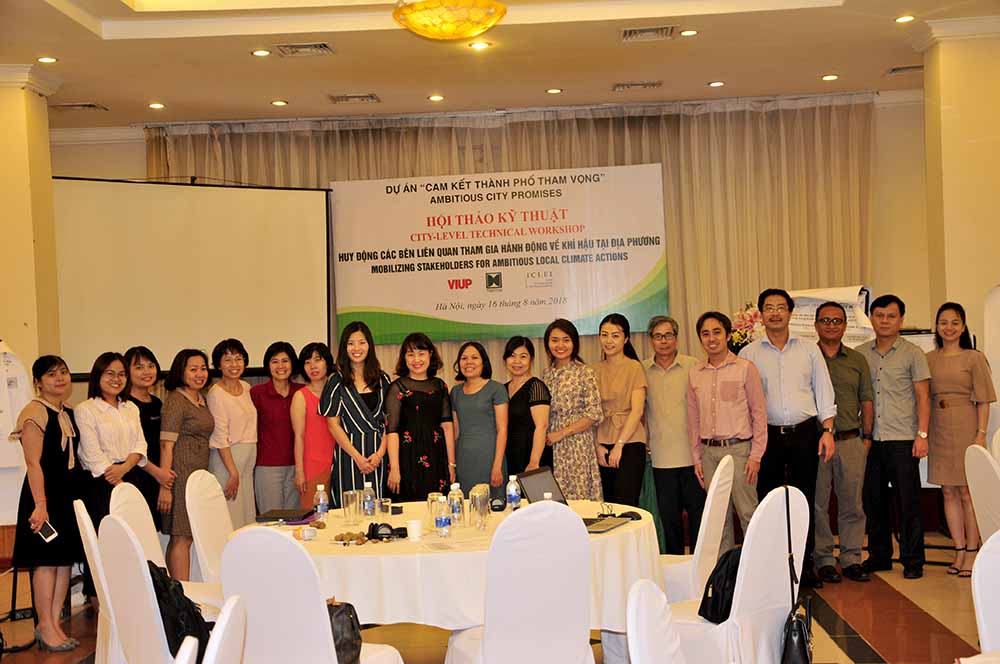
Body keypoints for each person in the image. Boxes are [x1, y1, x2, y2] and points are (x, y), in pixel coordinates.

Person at [740, 288, 837, 588]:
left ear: (790, 313)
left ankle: (805, 566)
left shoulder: (809, 350)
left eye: (781, 307)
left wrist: (828, 431)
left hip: (804, 433)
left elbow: (823, 391)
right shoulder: (749, 354)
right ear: (761, 315)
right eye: (769, 308)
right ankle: (773, 568)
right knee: (768, 502)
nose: (775, 313)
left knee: (803, 499)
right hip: (766, 437)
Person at [10, 356, 83, 652]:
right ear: (38, 382)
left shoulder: (67, 412)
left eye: (63, 372)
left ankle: (54, 623)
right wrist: (41, 505)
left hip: (65, 497)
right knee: (45, 562)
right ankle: (44, 624)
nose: (60, 378)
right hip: (43, 496)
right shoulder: (34, 412)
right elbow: (33, 464)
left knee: (63, 561)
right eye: (51, 374)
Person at [858, 294, 931, 579]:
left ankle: (913, 560)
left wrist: (922, 434)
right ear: (871, 319)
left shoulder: (913, 353)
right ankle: (879, 556)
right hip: (870, 439)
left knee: (908, 502)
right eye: (879, 315)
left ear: (901, 320)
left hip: (902, 439)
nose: (885, 321)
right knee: (873, 500)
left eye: (891, 316)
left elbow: (923, 397)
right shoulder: (861, 353)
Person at [926, 301, 996, 577]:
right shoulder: (929, 358)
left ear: (964, 326)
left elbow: (984, 400)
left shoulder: (974, 358)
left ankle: (973, 550)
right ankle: (958, 549)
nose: (949, 327)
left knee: (967, 491)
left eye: (955, 322)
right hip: (938, 427)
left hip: (967, 425)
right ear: (936, 326)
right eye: (943, 322)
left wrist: (981, 434)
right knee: (948, 491)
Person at [688, 312, 767, 552]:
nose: (711, 338)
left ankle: (755, 566)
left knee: (748, 513)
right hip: (709, 454)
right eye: (705, 334)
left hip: (740, 452)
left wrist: (756, 456)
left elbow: (759, 414)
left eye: (717, 332)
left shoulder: (745, 368)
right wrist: (696, 458)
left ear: (728, 335)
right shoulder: (695, 373)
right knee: (718, 517)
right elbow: (693, 419)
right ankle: (725, 568)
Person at [75, 351, 149, 600]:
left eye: (121, 374)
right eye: (110, 373)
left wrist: (125, 469)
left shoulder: (131, 408)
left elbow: (140, 444)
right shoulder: (86, 409)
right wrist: (118, 479)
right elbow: (92, 453)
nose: (116, 379)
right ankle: (100, 602)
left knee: (133, 541)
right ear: (98, 376)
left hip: (130, 476)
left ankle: (131, 598)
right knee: (104, 542)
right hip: (101, 483)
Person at [813, 302, 875, 583]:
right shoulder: (808, 357)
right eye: (825, 320)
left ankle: (851, 559)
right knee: (819, 505)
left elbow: (867, 399)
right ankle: (824, 559)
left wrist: (867, 437)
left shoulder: (857, 359)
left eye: (837, 321)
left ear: (845, 326)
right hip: (816, 442)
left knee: (852, 504)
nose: (831, 325)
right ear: (816, 325)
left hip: (851, 440)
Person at [644, 316, 702, 554]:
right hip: (660, 459)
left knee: (699, 517)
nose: (664, 341)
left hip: (693, 458)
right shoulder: (642, 370)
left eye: (668, 335)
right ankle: (675, 568)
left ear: (676, 338)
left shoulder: (693, 366)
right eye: (658, 336)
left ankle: (700, 569)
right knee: (670, 522)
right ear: (651, 340)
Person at [320, 322, 392, 508]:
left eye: (362, 342)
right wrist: (358, 458)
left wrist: (380, 454)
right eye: (351, 343)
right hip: (349, 455)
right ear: (344, 347)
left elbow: (390, 421)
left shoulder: (383, 379)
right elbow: (333, 425)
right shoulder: (336, 380)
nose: (357, 348)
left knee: (378, 509)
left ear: (369, 345)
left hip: (378, 455)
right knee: (350, 510)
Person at [159, 348, 214, 581]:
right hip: (179, 475)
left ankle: (180, 590)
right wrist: (165, 486)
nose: (200, 374)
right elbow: (166, 445)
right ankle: (181, 592)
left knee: (188, 535)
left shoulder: (200, 399)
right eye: (193, 369)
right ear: (181, 372)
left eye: (203, 368)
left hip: (197, 475)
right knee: (181, 537)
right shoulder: (176, 400)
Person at [386, 333, 456, 500]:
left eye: (421, 353)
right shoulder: (397, 388)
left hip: (436, 456)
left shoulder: (440, 386)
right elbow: (392, 431)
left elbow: (447, 426)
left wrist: (451, 464)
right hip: (406, 458)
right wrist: (394, 468)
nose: (416, 359)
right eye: (411, 354)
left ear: (430, 354)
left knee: (438, 506)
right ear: (404, 358)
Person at [541, 319, 604, 501]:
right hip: (551, 444)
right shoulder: (546, 374)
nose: (560, 345)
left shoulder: (585, 372)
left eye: (566, 340)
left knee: (579, 498)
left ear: (574, 342)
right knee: (554, 499)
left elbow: (594, 413)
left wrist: (561, 433)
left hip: (577, 444)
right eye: (555, 340)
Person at [593, 313, 647, 507]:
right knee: (607, 505)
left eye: (615, 335)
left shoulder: (634, 368)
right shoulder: (593, 370)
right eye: (604, 335)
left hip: (630, 441)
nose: (609, 341)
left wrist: (619, 445)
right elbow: (591, 413)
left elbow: (637, 411)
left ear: (625, 339)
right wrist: (597, 445)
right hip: (602, 441)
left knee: (626, 504)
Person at [206, 338, 258, 528]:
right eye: (227, 360)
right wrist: (233, 472)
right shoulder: (216, 394)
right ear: (218, 364)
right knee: (230, 515)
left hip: (247, 460)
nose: (234, 364)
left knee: (247, 513)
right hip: (227, 460)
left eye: (238, 359)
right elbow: (219, 436)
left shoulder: (246, 387)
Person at [124, 346, 175, 529]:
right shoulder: (125, 405)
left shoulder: (157, 403)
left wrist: (163, 478)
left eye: (150, 365)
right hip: (137, 476)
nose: (147, 371)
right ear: (127, 371)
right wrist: (158, 474)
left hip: (158, 478)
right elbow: (131, 448)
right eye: (139, 367)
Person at [250, 341, 304, 513]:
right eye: (275, 361)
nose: (280, 366)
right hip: (267, 467)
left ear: (292, 364)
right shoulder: (256, 393)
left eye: (285, 361)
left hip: (297, 467)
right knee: (271, 520)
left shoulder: (302, 392)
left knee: (294, 520)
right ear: (268, 365)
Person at [451, 341, 509, 496]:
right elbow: (455, 432)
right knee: (466, 504)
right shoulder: (455, 392)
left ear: (484, 362)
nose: (468, 362)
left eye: (474, 357)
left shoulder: (497, 389)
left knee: (493, 504)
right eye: (464, 358)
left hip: (490, 458)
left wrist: (497, 466)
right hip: (464, 459)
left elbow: (502, 430)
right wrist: (452, 464)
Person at [291, 342, 337, 509]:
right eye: (307, 362)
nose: (313, 366)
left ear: (327, 363)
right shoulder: (300, 396)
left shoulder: (338, 393)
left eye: (318, 360)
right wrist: (299, 471)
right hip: (313, 467)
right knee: (315, 517)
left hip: (339, 464)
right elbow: (299, 436)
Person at [502, 336, 552, 475]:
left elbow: (542, 426)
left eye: (523, 356)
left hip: (531, 456)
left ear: (531, 359)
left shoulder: (536, 387)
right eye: (512, 356)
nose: (517, 361)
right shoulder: (502, 389)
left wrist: (534, 462)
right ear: (505, 359)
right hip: (509, 455)